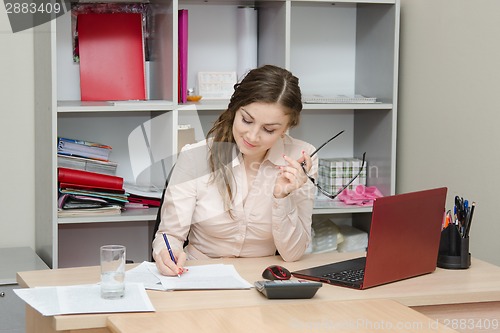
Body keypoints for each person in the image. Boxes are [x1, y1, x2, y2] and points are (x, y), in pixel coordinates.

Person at [152, 65, 318, 276]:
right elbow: (169, 235)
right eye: (246, 120)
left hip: (263, 279)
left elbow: (293, 253)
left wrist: (282, 198)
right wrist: (167, 252)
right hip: (198, 276)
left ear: (286, 128)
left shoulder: (302, 158)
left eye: (269, 129)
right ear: (234, 110)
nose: (252, 136)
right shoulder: (195, 157)